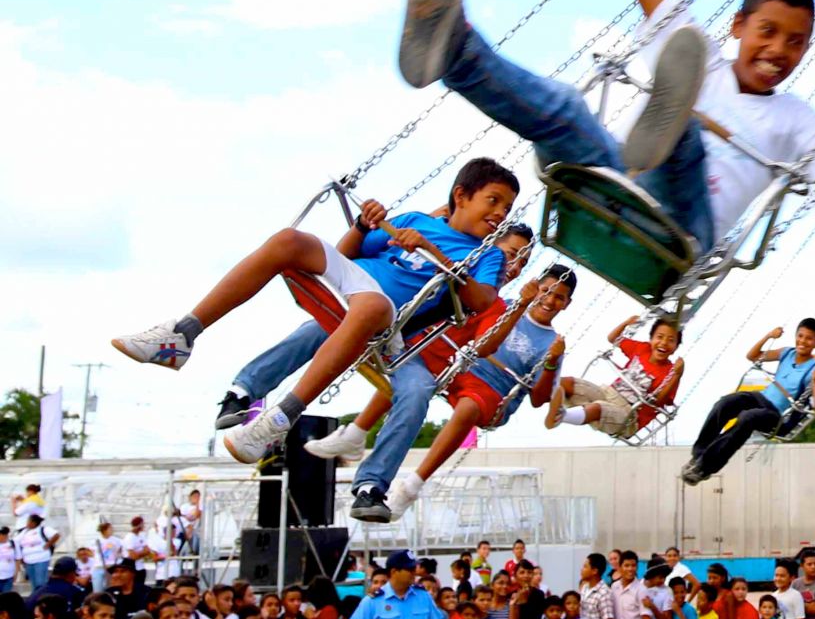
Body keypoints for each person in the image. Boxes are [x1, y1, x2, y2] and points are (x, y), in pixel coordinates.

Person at [398, 0, 815, 266]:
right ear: (738, 26)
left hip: (681, 234)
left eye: (796, 42)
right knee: (569, 109)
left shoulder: (796, 119)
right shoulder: (696, 54)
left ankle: (671, 129)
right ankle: (455, 51)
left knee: (687, 145)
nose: (778, 51)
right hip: (608, 187)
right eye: (768, 32)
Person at [115, 156, 519, 465]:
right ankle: (182, 333)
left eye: (507, 206)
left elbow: (480, 301)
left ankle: (281, 417)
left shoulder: (485, 255)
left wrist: (430, 252)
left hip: (387, 315)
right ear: (461, 196)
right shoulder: (415, 219)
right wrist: (364, 224)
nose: (500, 213)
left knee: (371, 307)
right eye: (493, 201)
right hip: (348, 283)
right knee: (289, 240)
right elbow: (345, 254)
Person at [300, 224, 536, 462]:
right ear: (490, 249)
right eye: (510, 255)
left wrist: (521, 306)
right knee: (321, 329)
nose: (514, 267)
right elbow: (423, 235)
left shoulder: (495, 305)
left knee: (416, 384)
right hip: (401, 335)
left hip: (423, 355)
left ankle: (369, 470)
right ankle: (335, 424)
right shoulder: (458, 263)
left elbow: (486, 344)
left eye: (522, 263)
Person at [356, 266, 573, 521]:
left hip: (494, 391)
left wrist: (550, 363)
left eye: (558, 297)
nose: (549, 300)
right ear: (535, 287)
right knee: (417, 373)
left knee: (468, 407)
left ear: (567, 303)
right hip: (463, 367)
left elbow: (538, 400)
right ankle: (358, 431)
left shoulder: (551, 343)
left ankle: (413, 485)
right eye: (546, 291)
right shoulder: (508, 306)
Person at [683, 322, 815, 485]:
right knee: (725, 403)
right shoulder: (787, 352)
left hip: (778, 416)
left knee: (748, 418)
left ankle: (704, 468)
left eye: (809, 339)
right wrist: (768, 336)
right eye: (800, 336)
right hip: (761, 398)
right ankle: (698, 455)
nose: (803, 341)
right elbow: (752, 356)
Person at [547, 313, 684, 440]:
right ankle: (542, 392)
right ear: (651, 339)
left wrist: (677, 375)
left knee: (597, 408)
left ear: (676, 347)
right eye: (660, 337)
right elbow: (613, 338)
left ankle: (561, 417)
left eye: (671, 340)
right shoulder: (643, 349)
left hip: (629, 415)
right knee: (568, 383)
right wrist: (626, 323)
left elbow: (658, 401)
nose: (664, 343)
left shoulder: (670, 372)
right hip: (609, 392)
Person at [15, 521, 56, 597]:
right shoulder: (25, 531)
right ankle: (35, 597)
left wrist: (48, 544)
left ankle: (43, 597)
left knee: (40, 581)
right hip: (28, 560)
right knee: (33, 582)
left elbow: (56, 535)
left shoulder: (43, 529)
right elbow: (16, 541)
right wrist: (20, 557)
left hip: (41, 559)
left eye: (29, 521)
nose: (27, 523)